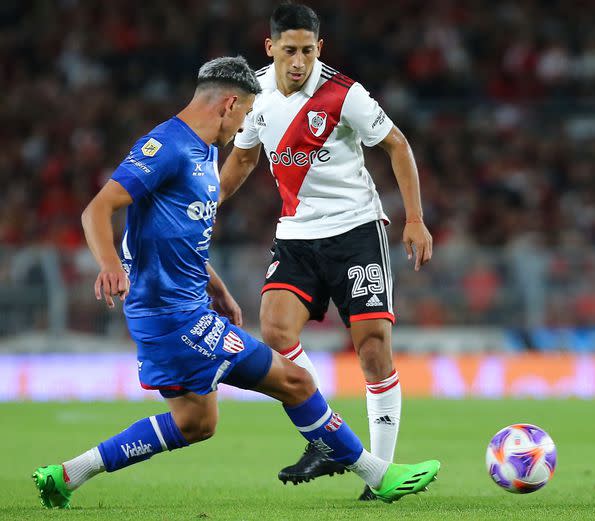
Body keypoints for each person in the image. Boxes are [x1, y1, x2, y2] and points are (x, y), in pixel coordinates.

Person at [31, 56, 439, 510]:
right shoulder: (166, 147)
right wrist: (109, 264)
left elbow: (176, 235)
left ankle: (67, 474)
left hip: (184, 309)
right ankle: (378, 474)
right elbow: (98, 208)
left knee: (195, 423)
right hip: (172, 316)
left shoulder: (205, 153)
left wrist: (216, 286)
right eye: (245, 113)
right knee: (296, 382)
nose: (245, 124)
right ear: (229, 103)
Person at [218, 4, 433, 500]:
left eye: (308, 51)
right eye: (289, 50)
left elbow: (397, 145)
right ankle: (328, 437)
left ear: (321, 48)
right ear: (270, 48)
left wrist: (415, 220)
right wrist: (207, 205)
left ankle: (379, 474)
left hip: (356, 229)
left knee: (373, 348)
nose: (299, 61)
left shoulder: (344, 94)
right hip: (297, 234)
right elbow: (244, 158)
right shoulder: (257, 93)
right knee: (274, 330)